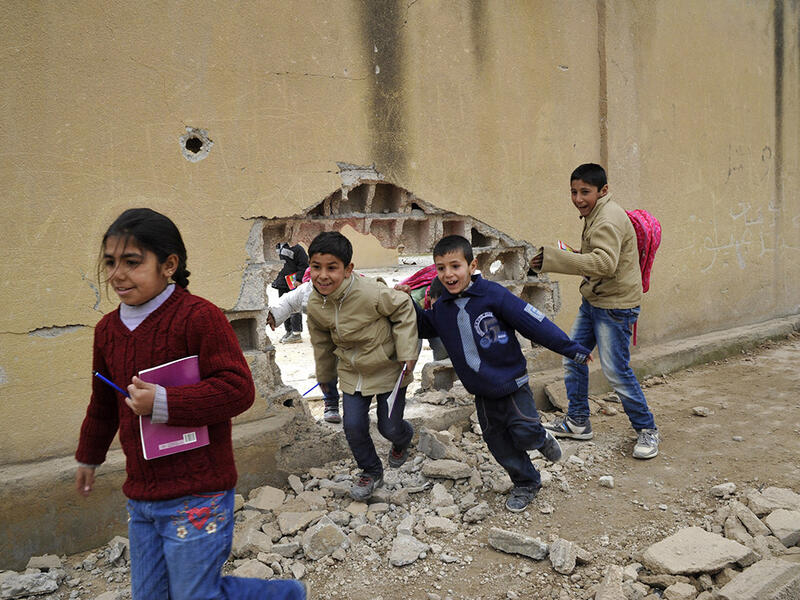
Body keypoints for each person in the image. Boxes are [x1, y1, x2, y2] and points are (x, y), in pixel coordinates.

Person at [74, 208, 305, 600]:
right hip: (143, 496)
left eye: (132, 262)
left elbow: (237, 389)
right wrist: (88, 456)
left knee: (195, 595)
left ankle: (281, 595)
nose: (117, 274)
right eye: (110, 263)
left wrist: (163, 401)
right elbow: (102, 402)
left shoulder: (199, 318)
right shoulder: (107, 331)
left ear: (169, 264)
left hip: (199, 492)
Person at [409, 235, 593, 512]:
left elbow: (534, 323)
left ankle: (540, 438)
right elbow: (423, 326)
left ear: (472, 265)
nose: (448, 274)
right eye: (440, 268)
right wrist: (401, 304)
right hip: (482, 392)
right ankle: (526, 483)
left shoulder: (494, 296)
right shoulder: (442, 308)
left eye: (455, 265)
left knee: (525, 432)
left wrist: (571, 349)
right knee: (499, 445)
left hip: (512, 384)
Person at [530, 163, 660, 459]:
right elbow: (601, 260)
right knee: (573, 355)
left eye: (584, 192)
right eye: (574, 192)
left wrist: (557, 259)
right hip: (595, 301)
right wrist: (575, 256)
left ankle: (647, 429)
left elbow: (604, 264)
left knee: (616, 371)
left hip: (615, 308)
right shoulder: (598, 212)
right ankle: (577, 421)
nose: (578, 198)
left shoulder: (607, 220)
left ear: (603, 191)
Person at [305, 231, 418, 501]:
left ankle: (404, 438)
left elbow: (403, 307)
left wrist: (407, 352)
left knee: (389, 428)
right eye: (316, 267)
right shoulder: (315, 304)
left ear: (348, 270)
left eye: (332, 268)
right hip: (352, 373)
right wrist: (326, 378)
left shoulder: (369, 293)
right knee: (353, 427)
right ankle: (371, 471)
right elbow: (321, 344)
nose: (323, 275)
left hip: (388, 369)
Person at [267, 270, 341, 423]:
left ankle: (357, 405)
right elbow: (288, 301)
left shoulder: (354, 286)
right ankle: (331, 404)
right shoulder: (307, 289)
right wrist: (274, 315)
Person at [271, 241, 309, 344]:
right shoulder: (276, 246)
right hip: (282, 283)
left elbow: (304, 265)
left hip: (293, 284)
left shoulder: (297, 248)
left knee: (294, 307)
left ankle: (296, 333)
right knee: (283, 306)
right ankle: (288, 331)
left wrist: (299, 280)